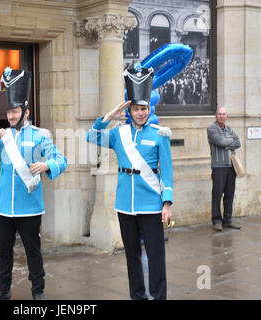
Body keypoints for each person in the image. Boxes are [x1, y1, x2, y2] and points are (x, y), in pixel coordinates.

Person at [0, 67, 67, 300]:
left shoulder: (41, 135)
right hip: (3, 206)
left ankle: (38, 291)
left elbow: (60, 160)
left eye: (15, 111)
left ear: (26, 111)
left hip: (30, 206)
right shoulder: (2, 137)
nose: (11, 116)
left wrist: (47, 166)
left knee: (33, 252)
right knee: (4, 252)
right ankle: (3, 289)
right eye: (9, 112)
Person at [86, 64, 173, 300]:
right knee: (131, 255)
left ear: (148, 108)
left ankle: (158, 295)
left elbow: (167, 172)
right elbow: (91, 136)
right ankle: (138, 295)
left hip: (151, 204)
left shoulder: (159, 134)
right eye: (136, 109)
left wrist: (167, 203)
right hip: (125, 204)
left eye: (143, 109)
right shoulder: (117, 133)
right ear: (129, 110)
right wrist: (108, 117)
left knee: (155, 254)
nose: (140, 113)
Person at [207, 107, 241, 231]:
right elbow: (220, 141)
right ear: (216, 115)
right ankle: (216, 221)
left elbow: (239, 142)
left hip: (231, 167)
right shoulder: (212, 128)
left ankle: (228, 220)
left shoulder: (229, 129)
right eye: (219, 114)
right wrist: (229, 142)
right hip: (218, 167)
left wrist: (227, 143)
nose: (222, 116)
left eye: (224, 114)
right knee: (217, 195)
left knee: (229, 194)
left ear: (226, 116)